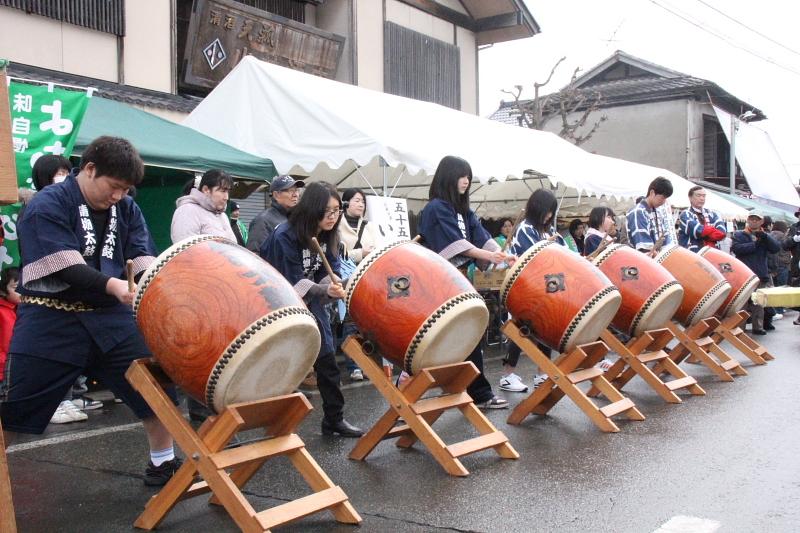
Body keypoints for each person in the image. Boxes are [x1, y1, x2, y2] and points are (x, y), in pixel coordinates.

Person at [0, 136, 180, 486]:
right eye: (114, 187)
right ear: (90, 169)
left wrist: (148, 283)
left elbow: (142, 253)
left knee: (154, 386)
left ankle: (163, 461)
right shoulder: (47, 203)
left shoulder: (126, 208)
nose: (117, 196)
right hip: (51, 316)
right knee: (19, 403)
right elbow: (61, 264)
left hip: (110, 316)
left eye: (125, 189)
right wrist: (114, 285)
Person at [260, 181, 363, 437]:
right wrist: (324, 289)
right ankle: (274, 423)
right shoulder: (285, 234)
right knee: (283, 366)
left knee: (327, 361)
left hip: (312, 305)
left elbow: (330, 271)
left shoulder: (329, 234)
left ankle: (334, 419)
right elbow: (291, 281)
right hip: (278, 305)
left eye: (337, 210)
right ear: (312, 209)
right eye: (326, 211)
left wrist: (334, 284)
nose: (332, 217)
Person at [418, 155, 514, 409]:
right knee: (442, 340)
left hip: (458, 282)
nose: (466, 181)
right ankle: (409, 394)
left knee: (468, 335)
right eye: (462, 176)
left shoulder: (462, 210)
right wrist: (489, 255)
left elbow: (480, 236)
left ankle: (478, 392)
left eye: (468, 176)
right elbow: (453, 245)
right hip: (438, 283)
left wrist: (501, 255)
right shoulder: (436, 208)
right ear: (448, 177)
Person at [337, 188, 382, 381]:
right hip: (345, 279)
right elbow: (337, 252)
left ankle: (367, 364)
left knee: (366, 322)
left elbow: (377, 248)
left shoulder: (370, 226)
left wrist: (368, 254)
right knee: (350, 322)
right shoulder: (337, 225)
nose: (361, 204)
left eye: (363, 201)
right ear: (345, 203)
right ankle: (353, 365)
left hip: (367, 279)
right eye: (356, 200)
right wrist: (359, 253)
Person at [731, 212, 780, 335]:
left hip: (760, 273)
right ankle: (740, 328)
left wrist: (765, 237)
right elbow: (737, 249)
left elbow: (776, 248)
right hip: (743, 274)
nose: (753, 221)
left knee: (758, 303)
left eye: (756, 220)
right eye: (751, 219)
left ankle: (758, 327)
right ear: (748, 220)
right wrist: (755, 244)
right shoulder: (739, 234)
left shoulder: (765, 235)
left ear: (761, 222)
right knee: (742, 302)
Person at [171, 169, 236, 244]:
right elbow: (187, 251)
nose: (226, 197)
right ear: (206, 189)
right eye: (223, 191)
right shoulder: (187, 211)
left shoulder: (223, 216)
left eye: (228, 192)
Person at [246, 175, 304, 252]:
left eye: (296, 190)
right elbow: (255, 255)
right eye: (290, 191)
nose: (295, 195)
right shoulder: (262, 221)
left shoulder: (296, 219)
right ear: (276, 195)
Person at [626, 177, 675, 256]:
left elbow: (666, 240)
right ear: (652, 192)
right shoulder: (638, 211)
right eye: (662, 197)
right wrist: (658, 255)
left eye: (666, 198)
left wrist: (668, 253)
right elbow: (644, 247)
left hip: (655, 259)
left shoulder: (658, 212)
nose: (664, 201)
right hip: (641, 261)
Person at [677, 186, 726, 252]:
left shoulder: (712, 214)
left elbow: (722, 233)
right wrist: (712, 231)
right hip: (692, 254)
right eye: (698, 195)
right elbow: (696, 230)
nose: (702, 198)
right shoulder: (685, 214)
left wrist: (705, 232)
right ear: (690, 198)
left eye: (704, 196)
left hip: (712, 254)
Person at [0, 268, 20, 387]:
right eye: (16, 288)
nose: (22, 292)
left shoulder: (29, 311)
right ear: (3, 291)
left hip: (21, 370)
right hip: (3, 371)